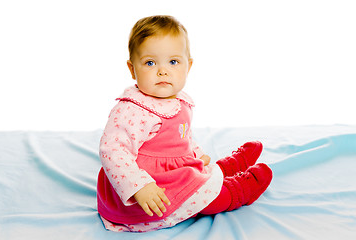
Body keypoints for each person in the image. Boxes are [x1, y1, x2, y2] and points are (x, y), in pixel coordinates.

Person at [97, 15, 272, 232]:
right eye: (150, 63)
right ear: (132, 69)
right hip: (151, 188)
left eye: (173, 62)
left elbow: (182, 137)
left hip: (174, 171)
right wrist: (138, 186)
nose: (163, 71)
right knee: (208, 200)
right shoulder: (132, 109)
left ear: (188, 66)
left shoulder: (179, 100)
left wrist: (196, 154)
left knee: (200, 170)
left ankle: (224, 168)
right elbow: (113, 150)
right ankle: (237, 190)